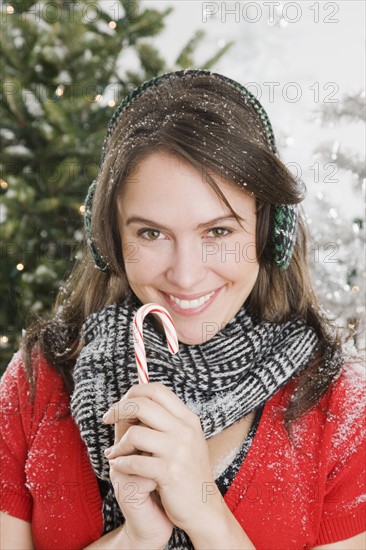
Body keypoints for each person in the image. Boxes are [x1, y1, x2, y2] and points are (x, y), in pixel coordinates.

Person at [1, 69, 365, 550]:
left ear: (269, 231)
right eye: (151, 233)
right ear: (108, 238)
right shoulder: (36, 382)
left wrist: (203, 511)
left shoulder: (341, 411)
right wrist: (134, 539)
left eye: (219, 231)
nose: (187, 275)